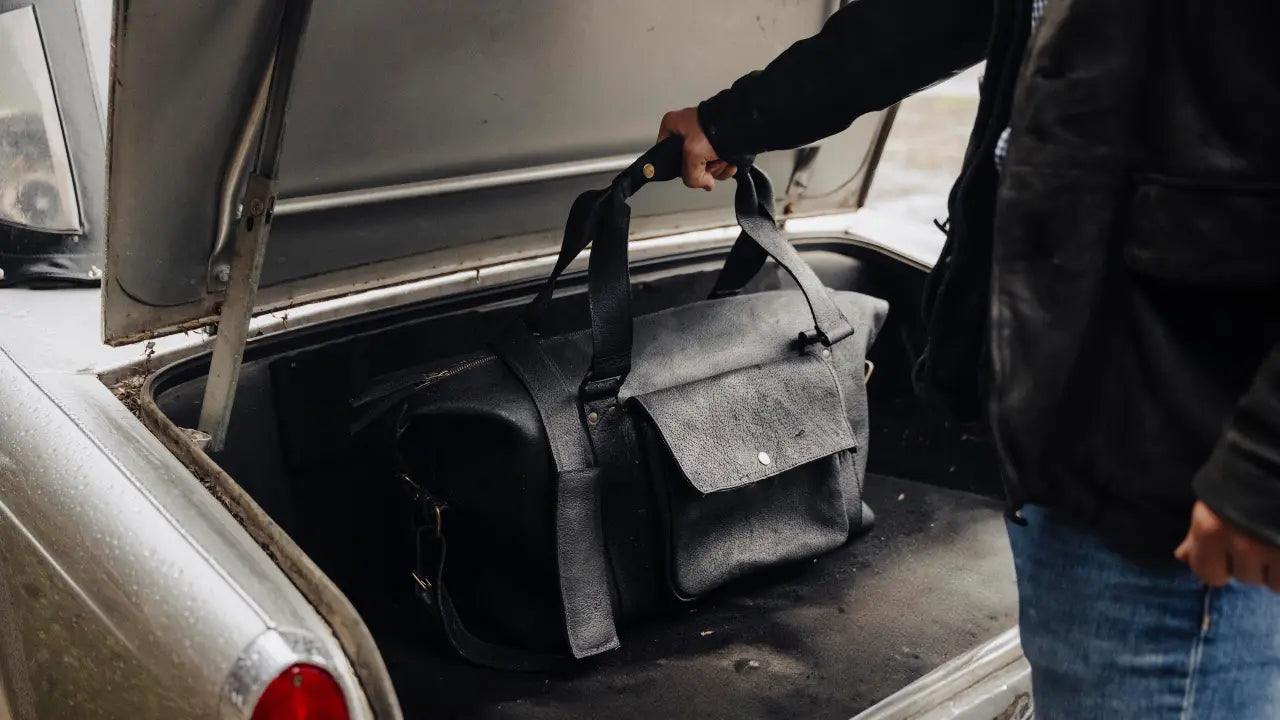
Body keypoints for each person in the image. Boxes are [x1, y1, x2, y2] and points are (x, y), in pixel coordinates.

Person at [656, 0, 1280, 716]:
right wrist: (735, 118)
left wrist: (1264, 470)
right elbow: (927, 18)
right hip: (1067, 434)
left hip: (1188, 471)